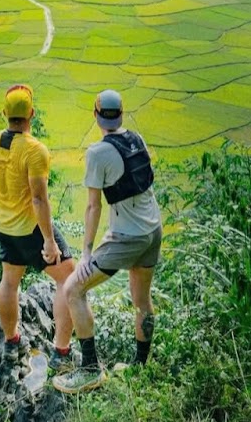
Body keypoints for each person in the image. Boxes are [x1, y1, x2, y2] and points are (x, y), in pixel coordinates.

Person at [53, 88, 162, 394]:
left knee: (74, 288)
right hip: (153, 231)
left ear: (96, 115)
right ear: (122, 115)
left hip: (128, 236)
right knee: (141, 301)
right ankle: (141, 368)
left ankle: (89, 369)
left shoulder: (98, 152)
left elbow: (93, 205)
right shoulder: (137, 139)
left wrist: (86, 253)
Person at [0, 83, 75, 364]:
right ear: (31, 114)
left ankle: (12, 343)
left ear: (4, 113)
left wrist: (2, 211)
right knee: (69, 279)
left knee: (9, 282)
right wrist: (48, 240)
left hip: (4, 225)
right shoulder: (35, 150)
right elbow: (38, 199)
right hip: (30, 229)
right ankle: (62, 351)